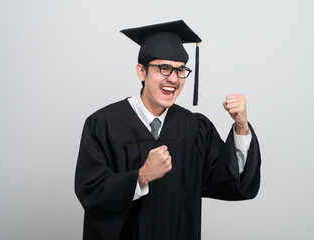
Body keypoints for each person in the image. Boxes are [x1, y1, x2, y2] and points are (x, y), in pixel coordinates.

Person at [75, 20, 261, 240]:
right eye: (164, 68)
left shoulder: (195, 129)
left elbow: (231, 181)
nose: (173, 78)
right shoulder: (103, 125)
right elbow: (91, 191)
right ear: (141, 71)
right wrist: (141, 176)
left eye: (181, 70)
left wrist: (241, 126)